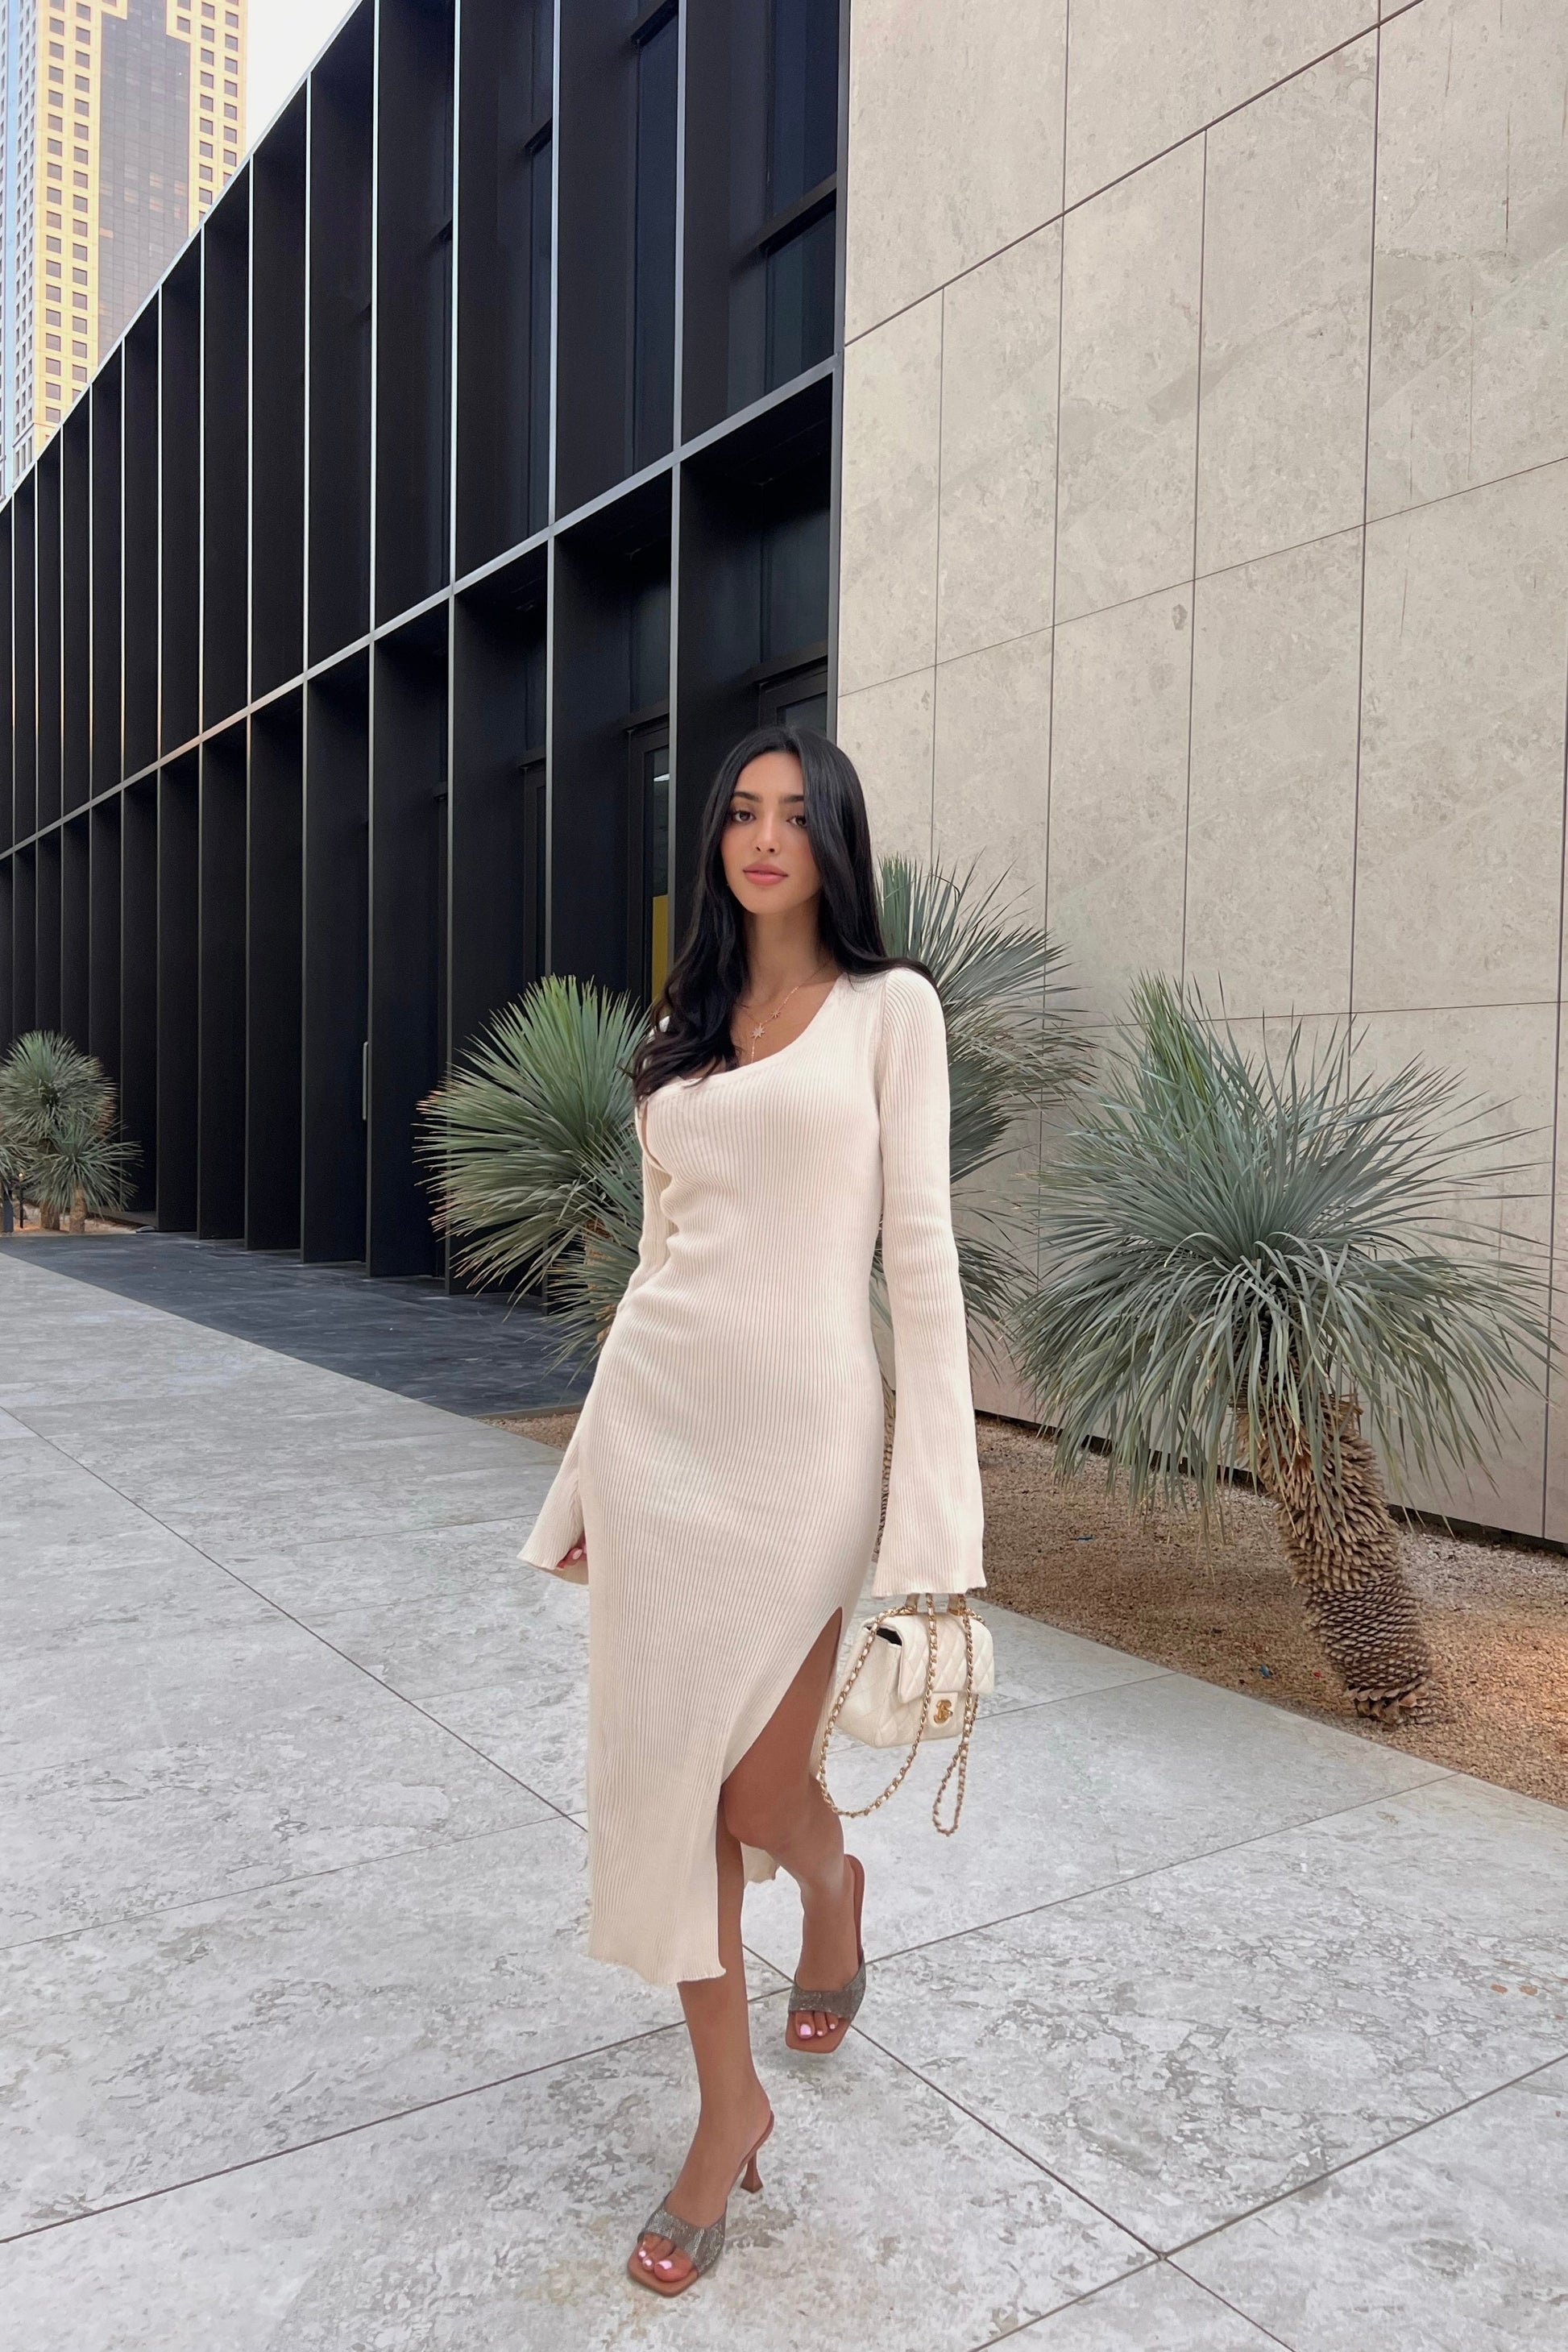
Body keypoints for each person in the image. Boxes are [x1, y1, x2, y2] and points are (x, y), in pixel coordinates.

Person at [517, 724, 985, 2296]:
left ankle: (832, 1886)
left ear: (835, 841)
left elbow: (920, 1261)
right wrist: (586, 1477)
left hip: (804, 1445)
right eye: (739, 811)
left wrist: (934, 1529)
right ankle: (727, 2108)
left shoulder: (891, 1011)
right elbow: (655, 1271)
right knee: (674, 1794)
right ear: (714, 838)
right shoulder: (683, 1025)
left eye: (794, 813)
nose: (763, 835)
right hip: (658, 1436)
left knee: (757, 1792)